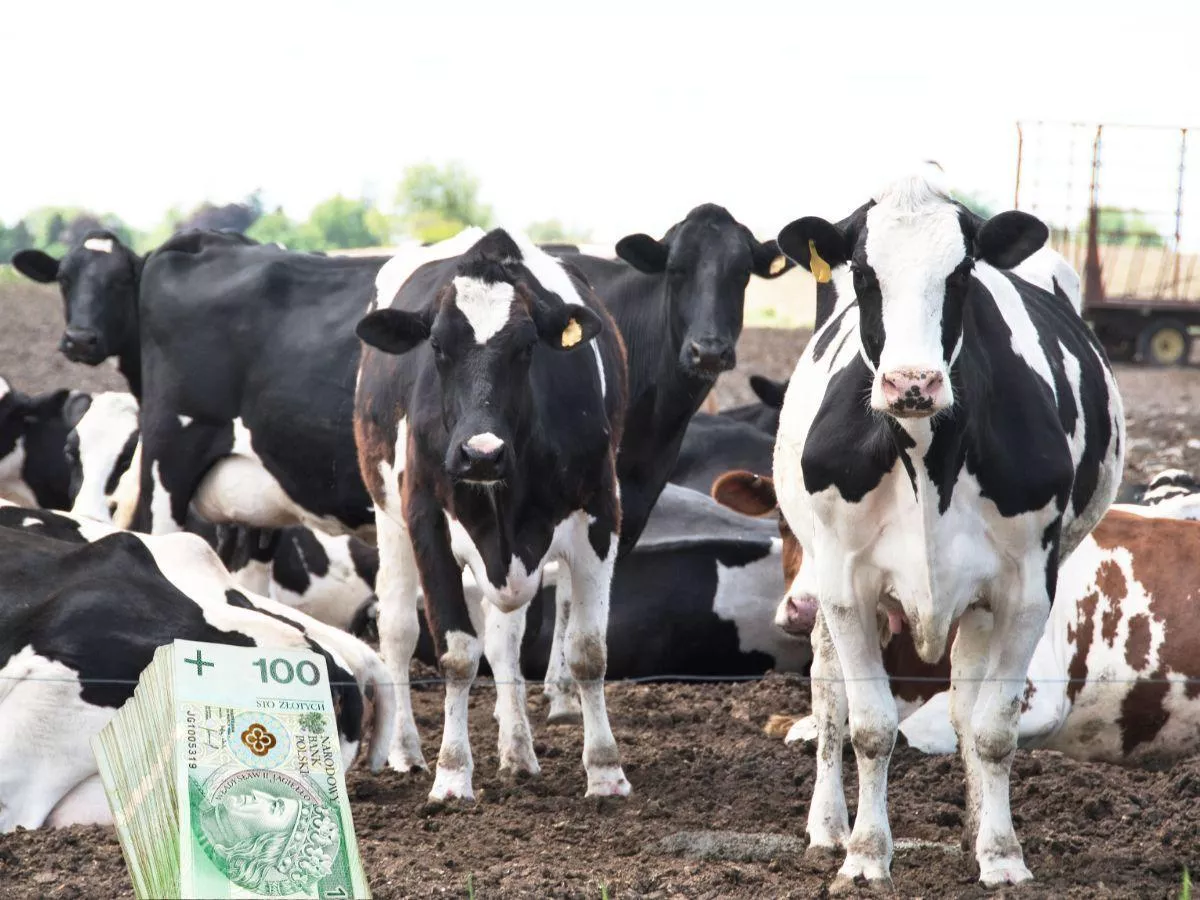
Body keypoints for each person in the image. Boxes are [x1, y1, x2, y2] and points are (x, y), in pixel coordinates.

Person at [192, 774, 339, 896]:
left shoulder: (197, 872)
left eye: (274, 806)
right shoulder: (191, 790)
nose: (257, 794)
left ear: (267, 845)